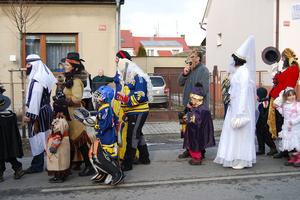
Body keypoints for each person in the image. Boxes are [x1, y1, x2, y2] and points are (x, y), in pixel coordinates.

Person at [214, 36, 256, 169]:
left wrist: (241, 111)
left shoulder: (244, 72)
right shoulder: (237, 72)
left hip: (240, 107)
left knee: (241, 132)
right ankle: (232, 156)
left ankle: (242, 158)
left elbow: (243, 91)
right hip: (234, 105)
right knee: (233, 131)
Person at [55, 52, 94, 176]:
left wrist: (64, 99)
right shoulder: (70, 79)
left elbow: (77, 99)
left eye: (67, 64)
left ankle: (89, 166)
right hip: (69, 113)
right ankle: (72, 164)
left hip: (75, 114)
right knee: (73, 140)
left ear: (73, 66)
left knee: (80, 141)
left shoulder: (76, 80)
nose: (64, 66)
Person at [115, 50, 152, 171]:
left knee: (132, 136)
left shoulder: (138, 76)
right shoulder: (124, 76)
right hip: (130, 111)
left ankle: (127, 163)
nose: (116, 63)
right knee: (138, 133)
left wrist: (126, 100)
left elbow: (141, 95)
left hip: (139, 110)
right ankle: (145, 157)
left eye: (118, 60)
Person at [24, 54, 56, 174]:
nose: (26, 67)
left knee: (38, 138)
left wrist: (30, 115)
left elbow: (35, 99)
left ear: (34, 65)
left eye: (28, 64)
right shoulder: (42, 76)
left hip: (38, 113)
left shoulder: (37, 79)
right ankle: (51, 164)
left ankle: (37, 165)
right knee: (46, 137)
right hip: (45, 110)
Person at [177, 49, 210, 159]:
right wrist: (184, 74)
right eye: (189, 57)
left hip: (198, 107)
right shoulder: (190, 70)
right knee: (186, 129)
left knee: (198, 130)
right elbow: (180, 83)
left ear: (198, 58)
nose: (190, 59)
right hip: (188, 105)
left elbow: (203, 90)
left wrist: (192, 103)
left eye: (192, 57)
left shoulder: (204, 70)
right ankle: (188, 149)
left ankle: (201, 151)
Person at [267, 48, 299, 158]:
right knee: (282, 127)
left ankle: (293, 152)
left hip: (285, 100)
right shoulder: (287, 69)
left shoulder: (293, 69)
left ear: (287, 57)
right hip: (279, 100)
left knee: (289, 128)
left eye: (283, 58)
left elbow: (288, 86)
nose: (282, 60)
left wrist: (279, 100)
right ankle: (285, 150)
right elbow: (279, 81)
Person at [89, 85, 124, 185]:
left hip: (107, 138)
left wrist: (95, 125)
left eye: (99, 95)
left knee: (102, 158)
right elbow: (116, 119)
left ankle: (117, 173)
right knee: (100, 156)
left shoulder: (104, 109)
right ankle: (103, 173)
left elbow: (104, 125)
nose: (96, 98)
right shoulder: (107, 108)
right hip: (108, 137)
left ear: (105, 97)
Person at [183, 83, 215, 165]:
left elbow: (195, 120)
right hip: (197, 129)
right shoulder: (198, 107)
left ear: (198, 99)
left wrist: (189, 115)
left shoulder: (201, 109)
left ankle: (197, 158)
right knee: (195, 138)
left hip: (197, 130)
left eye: (193, 98)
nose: (191, 100)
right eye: (191, 98)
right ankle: (198, 154)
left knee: (195, 139)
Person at [0, 86, 25, 182]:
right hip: (9, 141)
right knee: (5, 155)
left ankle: (17, 168)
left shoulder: (8, 115)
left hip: (7, 140)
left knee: (7, 155)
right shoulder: (11, 115)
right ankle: (15, 169)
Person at [273, 88, 300, 167]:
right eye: (289, 95)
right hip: (286, 127)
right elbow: (283, 113)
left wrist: (293, 122)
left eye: (293, 95)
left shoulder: (298, 105)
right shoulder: (285, 105)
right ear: (285, 97)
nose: (292, 97)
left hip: (295, 127)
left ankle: (298, 158)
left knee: (296, 143)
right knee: (289, 143)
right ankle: (293, 158)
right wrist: (278, 108)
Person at [46, 116, 70, 183]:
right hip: (64, 143)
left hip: (58, 146)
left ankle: (58, 177)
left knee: (57, 161)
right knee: (63, 161)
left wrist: (54, 146)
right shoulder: (63, 120)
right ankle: (62, 176)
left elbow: (58, 135)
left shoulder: (59, 122)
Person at [256, 87, 278, 156]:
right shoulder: (264, 101)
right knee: (259, 135)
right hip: (261, 122)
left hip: (264, 122)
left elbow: (263, 113)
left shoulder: (264, 102)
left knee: (266, 136)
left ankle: (273, 148)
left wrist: (264, 122)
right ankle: (261, 149)